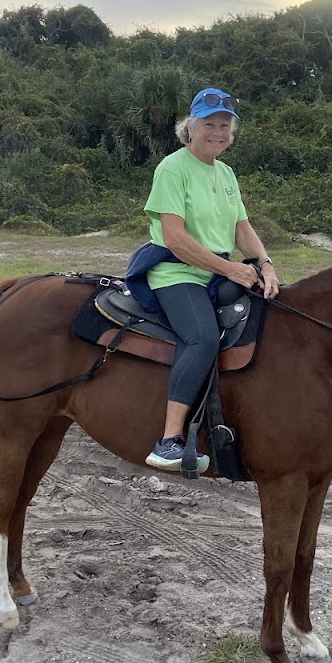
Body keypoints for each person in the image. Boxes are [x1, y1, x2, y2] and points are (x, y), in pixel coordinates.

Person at [136, 87, 280, 474]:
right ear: (190, 127)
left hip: (216, 270)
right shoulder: (172, 168)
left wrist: (264, 264)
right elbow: (175, 238)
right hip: (177, 271)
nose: (217, 132)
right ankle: (168, 441)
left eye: (224, 126)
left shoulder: (226, 172)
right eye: (209, 124)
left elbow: (242, 228)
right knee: (200, 337)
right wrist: (233, 269)